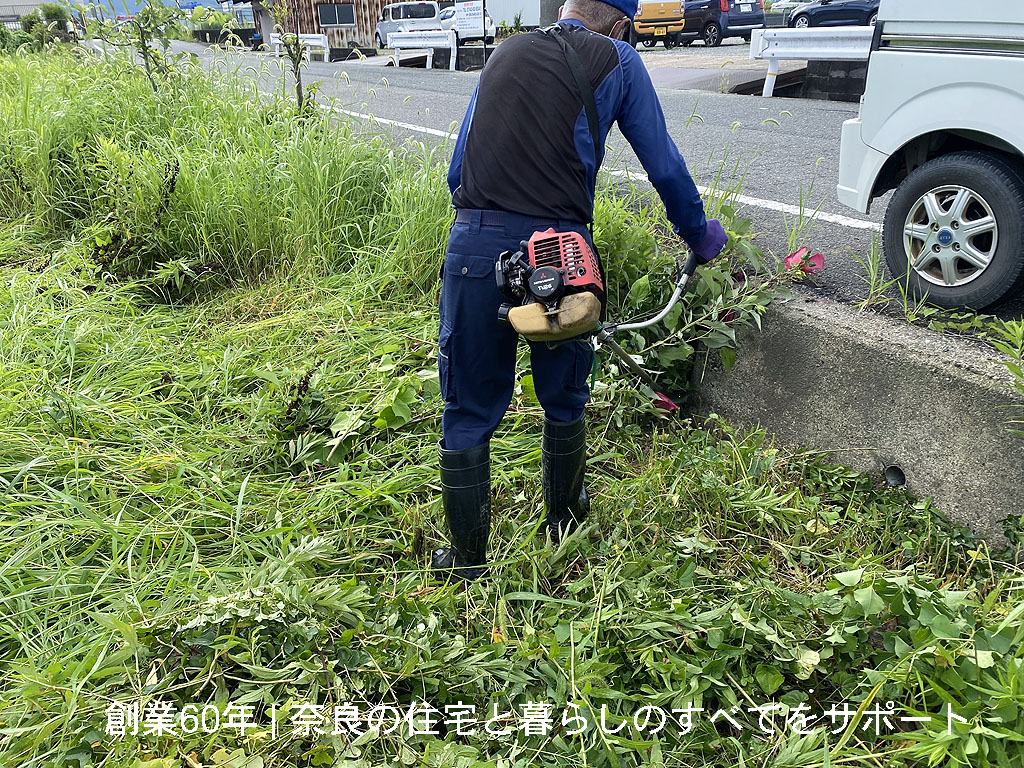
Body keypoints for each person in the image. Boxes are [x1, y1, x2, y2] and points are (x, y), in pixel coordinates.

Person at [431, 0, 728, 581]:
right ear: (620, 23)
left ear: (566, 10)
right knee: (564, 394)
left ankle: (467, 560)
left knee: (466, 405)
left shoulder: (508, 48)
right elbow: (662, 163)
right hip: (558, 252)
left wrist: (487, 230)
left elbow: (457, 167)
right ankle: (565, 522)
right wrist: (699, 233)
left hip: (473, 242)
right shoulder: (619, 57)